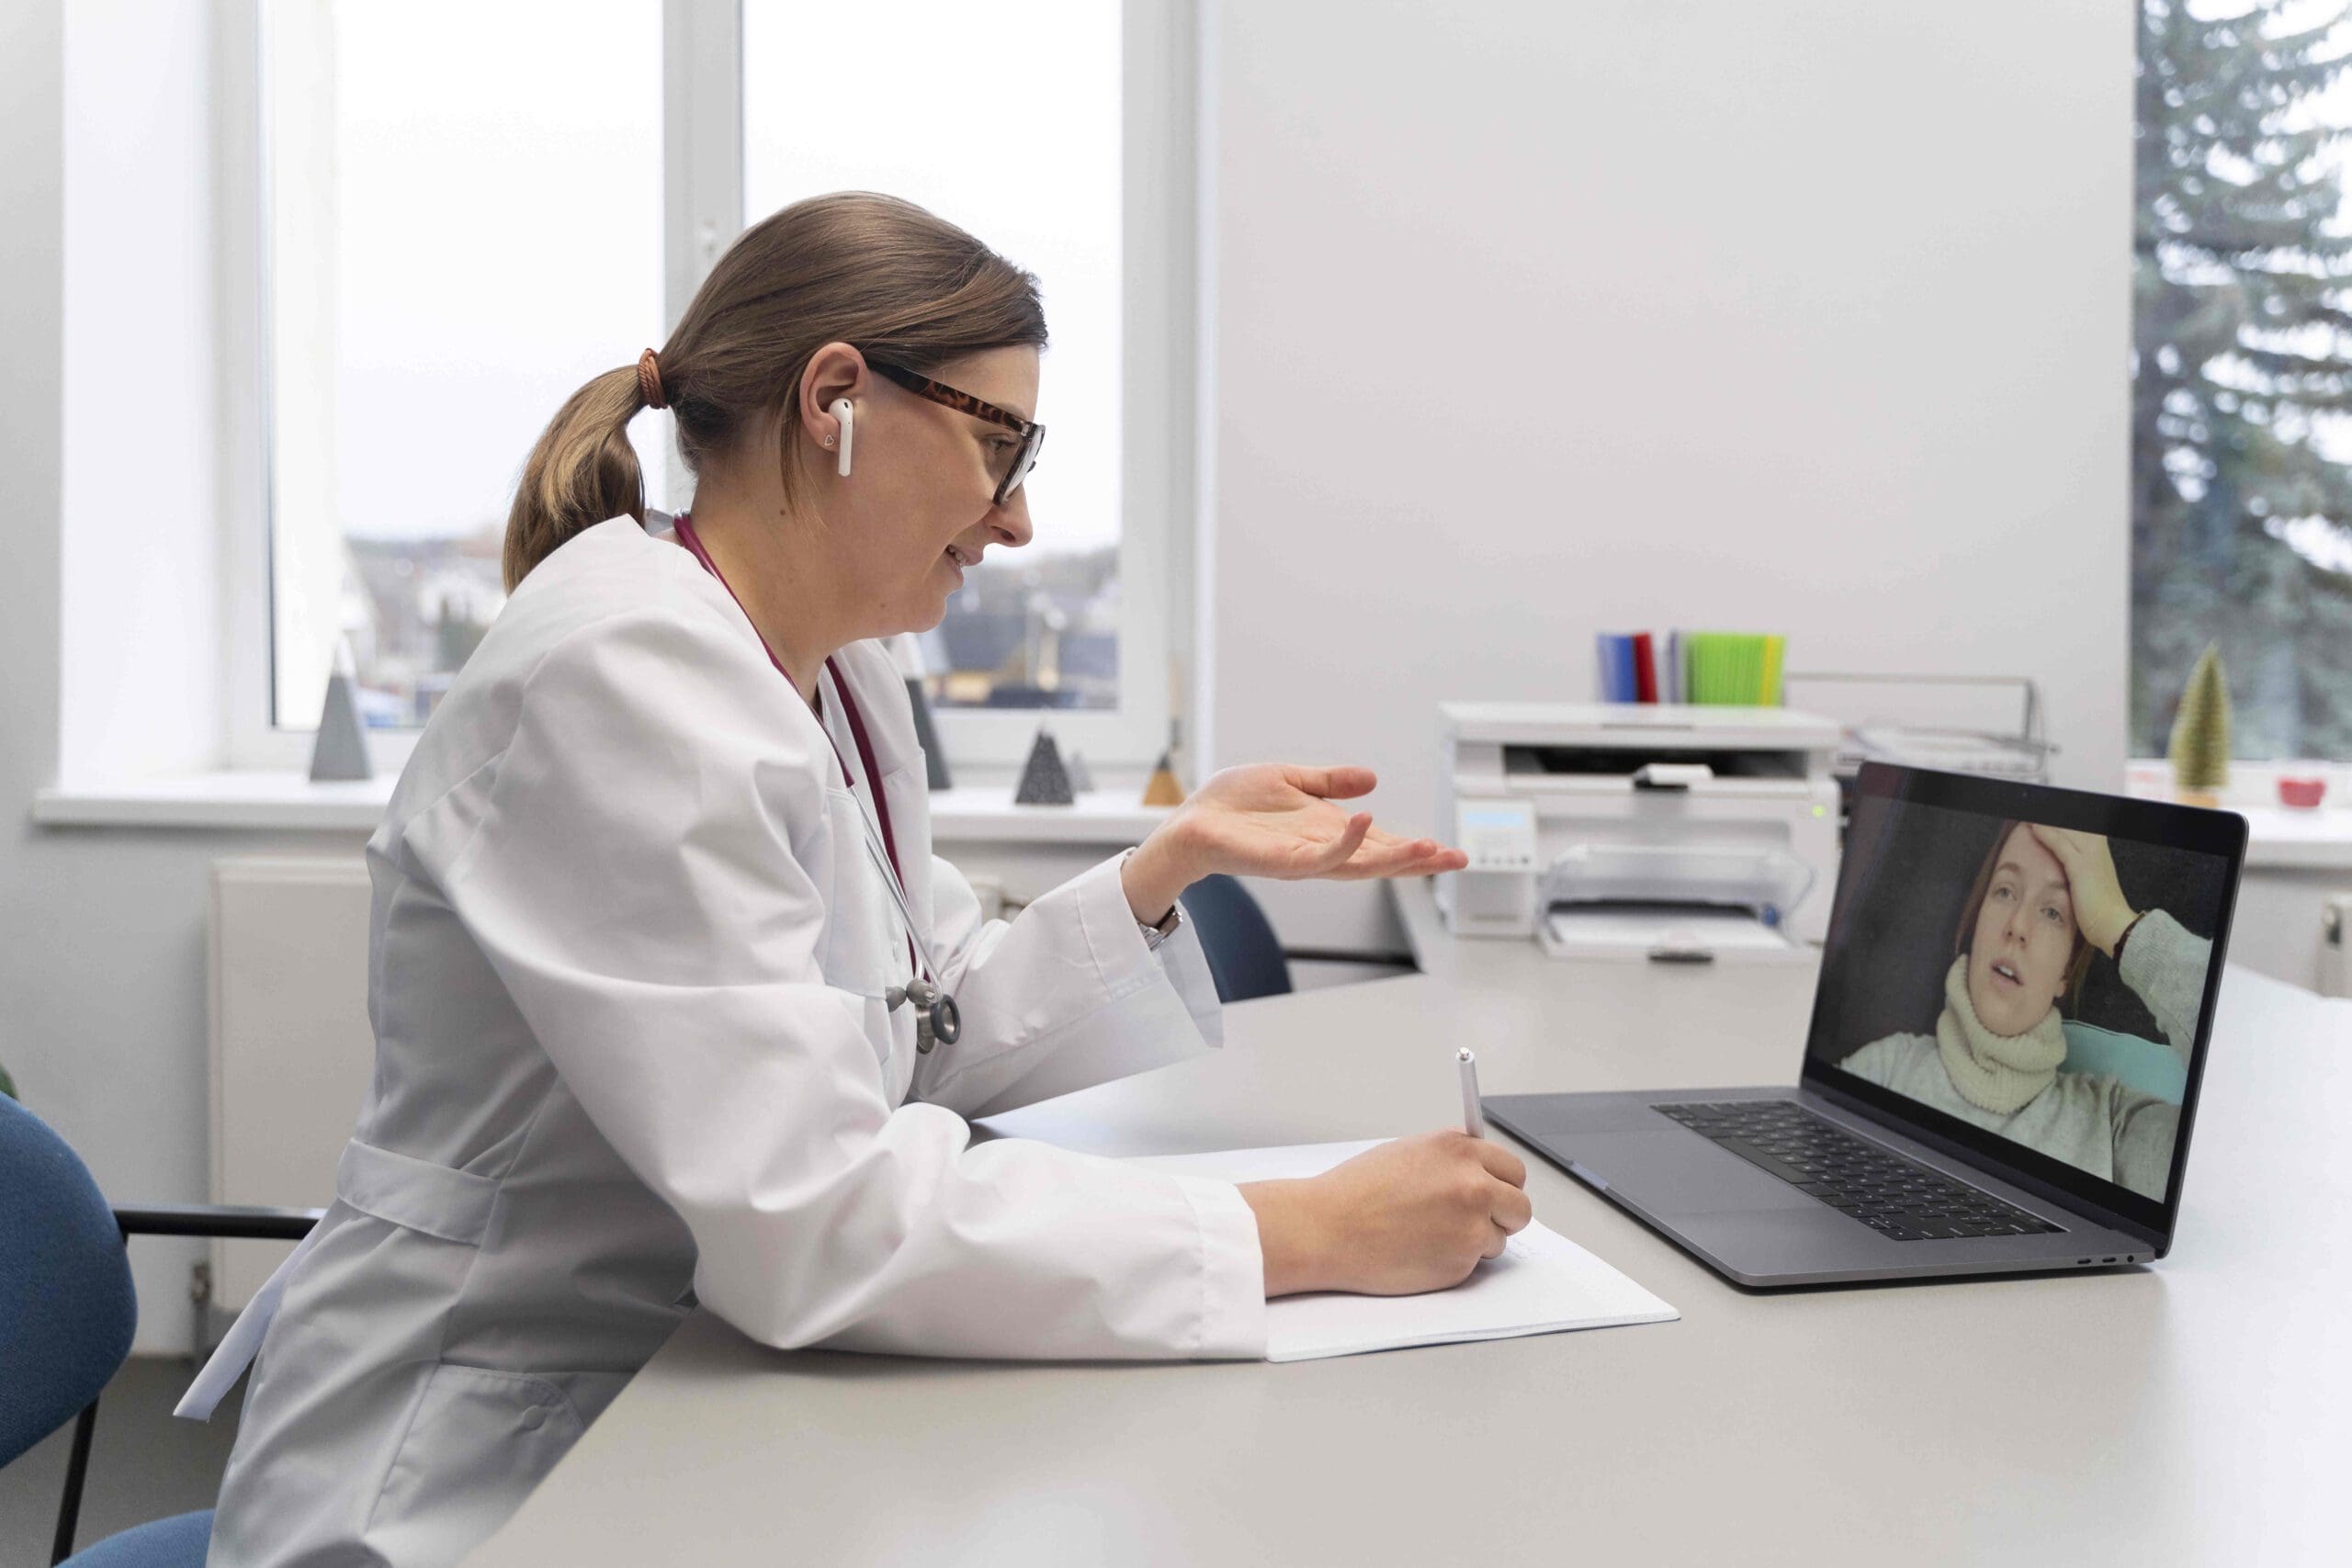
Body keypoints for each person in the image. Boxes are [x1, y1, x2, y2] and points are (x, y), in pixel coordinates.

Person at [194, 193, 1527, 1567]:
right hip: (478, 1465)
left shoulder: (834, 668)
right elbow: (810, 1212)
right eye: (997, 444)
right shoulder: (622, 673)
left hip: (686, 1386)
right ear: (835, 396)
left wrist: (1162, 863)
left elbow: (911, 1022)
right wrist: (1301, 1227)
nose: (1015, 519)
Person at [1837, 818, 2211, 1201]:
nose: (2016, 925)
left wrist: (2122, 930)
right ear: (1976, 920)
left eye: (2052, 913)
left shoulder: (2115, 1130)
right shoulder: (1886, 1072)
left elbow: (2250, 1096)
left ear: (2066, 971)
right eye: (2004, 891)